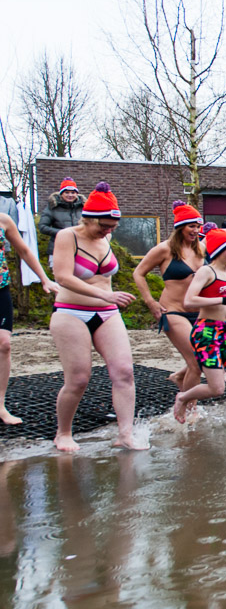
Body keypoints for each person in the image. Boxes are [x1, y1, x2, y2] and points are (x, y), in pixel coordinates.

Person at [47, 182, 147, 451]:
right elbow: (63, 277)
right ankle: (63, 433)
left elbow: (105, 278)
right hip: (72, 312)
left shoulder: (107, 237)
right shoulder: (67, 236)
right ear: (87, 217)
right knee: (78, 378)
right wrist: (104, 296)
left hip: (107, 313)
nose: (107, 231)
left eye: (112, 227)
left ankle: (125, 434)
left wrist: (108, 299)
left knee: (124, 371)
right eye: (103, 226)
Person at [173, 229, 226, 427]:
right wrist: (225, 299)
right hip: (207, 332)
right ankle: (182, 398)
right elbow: (189, 300)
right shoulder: (206, 271)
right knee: (216, 389)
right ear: (219, 250)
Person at [132, 201, 207, 397]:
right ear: (180, 227)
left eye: (198, 227)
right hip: (173, 311)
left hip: (200, 312)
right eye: (192, 226)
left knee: (205, 357)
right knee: (197, 361)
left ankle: (180, 378)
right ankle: (189, 410)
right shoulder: (164, 249)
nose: (196, 230)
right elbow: (138, 273)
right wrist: (150, 302)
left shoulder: (202, 248)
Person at [0, 211, 56, 425]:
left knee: (4, 345)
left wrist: (44, 279)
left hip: (1, 289)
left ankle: (1, 406)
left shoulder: (4, 220)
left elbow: (24, 250)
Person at [37, 177, 84, 242]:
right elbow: (42, 227)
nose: (70, 195)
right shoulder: (52, 207)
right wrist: (62, 233)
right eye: (67, 192)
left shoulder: (84, 207)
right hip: (58, 245)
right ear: (61, 194)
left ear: (76, 194)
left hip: (80, 246)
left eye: (73, 192)